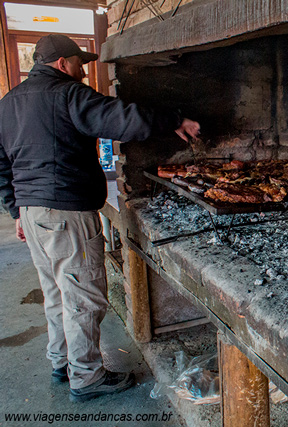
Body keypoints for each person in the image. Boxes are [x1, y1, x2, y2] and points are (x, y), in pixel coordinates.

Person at [0, 34, 200, 402]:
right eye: (80, 62)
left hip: (33, 214)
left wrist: (15, 209)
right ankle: (87, 377)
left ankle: (63, 361)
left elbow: (1, 164)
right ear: (63, 64)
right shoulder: (69, 95)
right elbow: (121, 120)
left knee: (57, 290)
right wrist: (173, 119)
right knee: (83, 295)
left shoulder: (8, 103)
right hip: (66, 213)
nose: (84, 68)